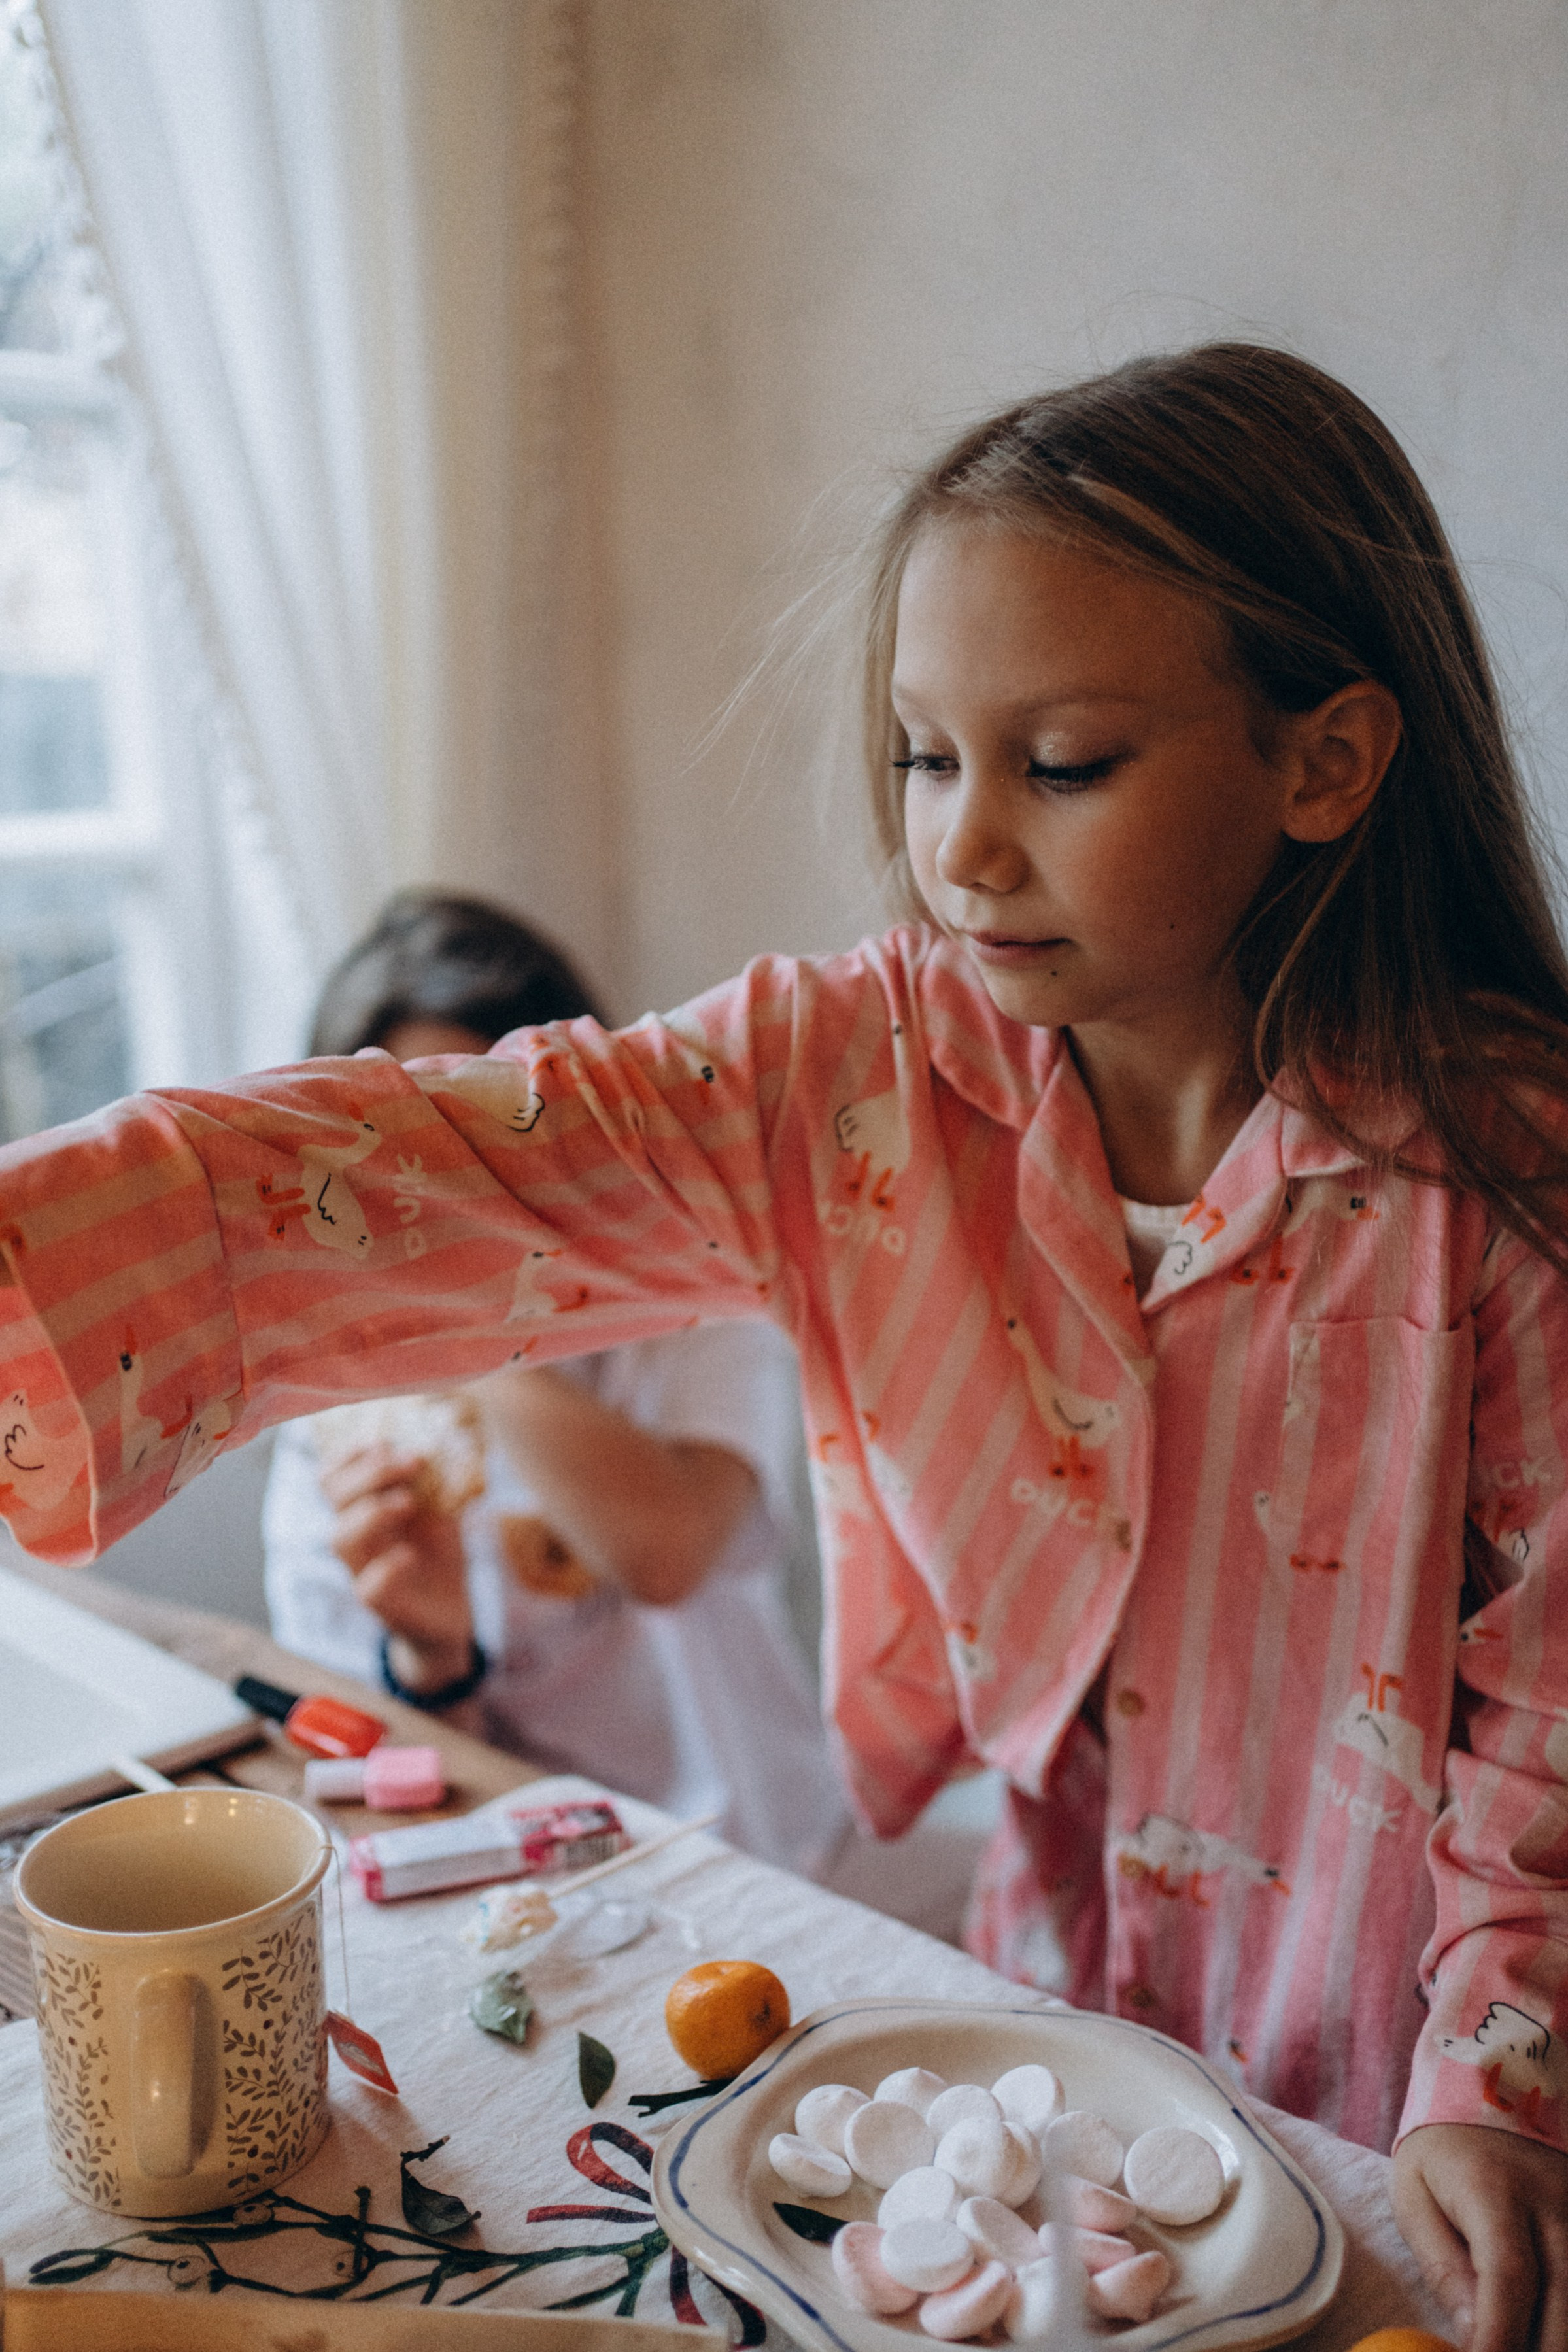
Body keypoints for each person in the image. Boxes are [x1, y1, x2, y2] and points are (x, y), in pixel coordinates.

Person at [0, 344, 1564, 2351]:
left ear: (1322, 760)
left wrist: (1498, 2068)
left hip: (1401, 2066)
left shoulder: (1505, 1173)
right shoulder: (859, 1072)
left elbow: (1540, 1712)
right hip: (1051, 2021)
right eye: (924, 757)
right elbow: (444, 1164)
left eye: (1059, 763)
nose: (961, 850)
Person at [260, 890, 850, 1879]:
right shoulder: (329, 1398)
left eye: (477, 1137)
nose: (440, 1193)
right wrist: (434, 1662)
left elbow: (666, 1554)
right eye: (395, 1150)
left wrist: (456, 1326)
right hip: (516, 1872)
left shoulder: (696, 1286)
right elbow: (375, 1772)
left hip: (759, 1843)